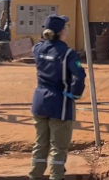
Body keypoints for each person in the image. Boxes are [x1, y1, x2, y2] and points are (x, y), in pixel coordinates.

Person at [30, 15, 86, 180]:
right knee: (58, 147)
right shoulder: (68, 53)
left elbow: (42, 42)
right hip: (60, 104)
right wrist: (75, 94)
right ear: (62, 31)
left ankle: (35, 176)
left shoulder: (38, 49)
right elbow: (79, 76)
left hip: (39, 102)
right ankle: (56, 177)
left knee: (40, 144)